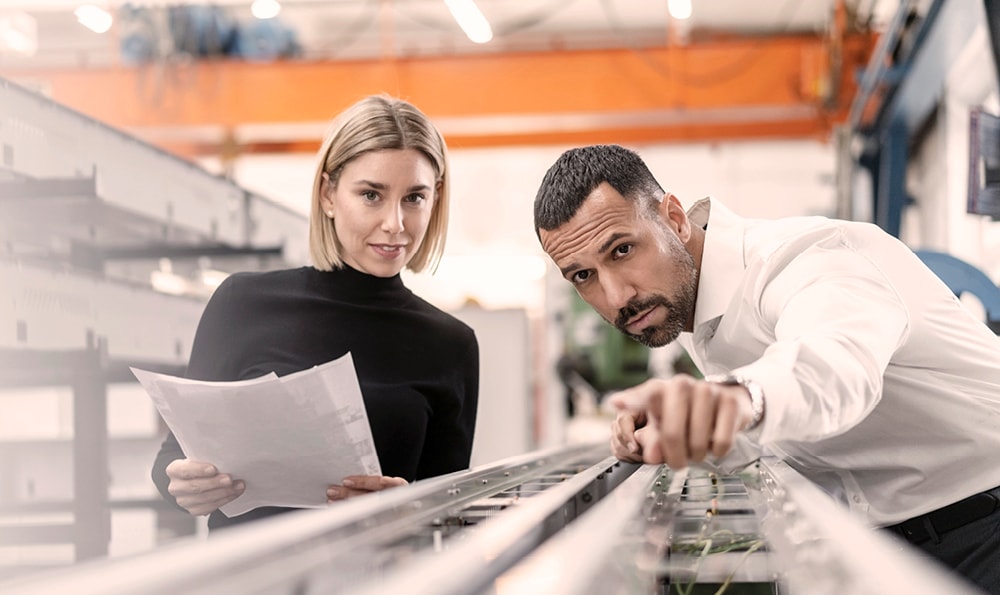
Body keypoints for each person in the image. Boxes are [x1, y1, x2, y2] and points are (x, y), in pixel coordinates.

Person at [533, 143, 1000, 592]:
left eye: (621, 250)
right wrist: (674, 429)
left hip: (985, 527)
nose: (617, 297)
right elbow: (784, 430)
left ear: (673, 219)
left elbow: (831, 368)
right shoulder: (696, 312)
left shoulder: (806, 258)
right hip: (892, 545)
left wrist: (731, 400)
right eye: (583, 276)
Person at [152, 94, 480, 531]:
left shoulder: (450, 344)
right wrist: (185, 484)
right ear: (328, 194)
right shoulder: (244, 303)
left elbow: (451, 515)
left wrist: (410, 508)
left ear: (435, 199)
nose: (395, 224)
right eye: (371, 195)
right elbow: (171, 460)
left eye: (414, 198)